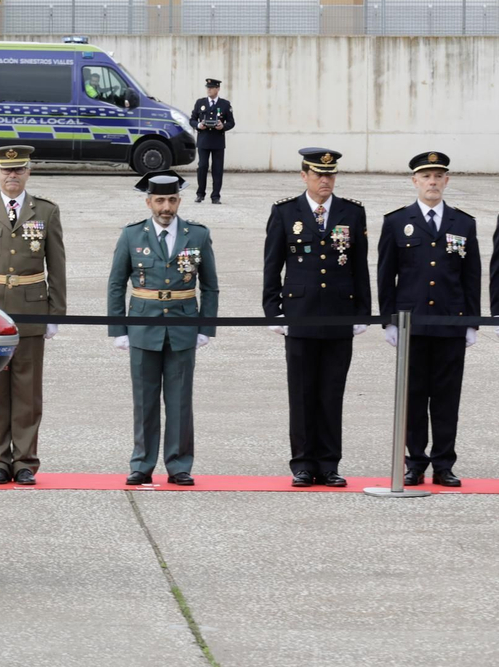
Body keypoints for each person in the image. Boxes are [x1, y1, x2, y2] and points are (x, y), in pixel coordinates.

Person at [0, 145, 66, 486]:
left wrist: (55, 314)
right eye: (6, 170)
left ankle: (25, 462)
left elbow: (57, 265)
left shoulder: (45, 211)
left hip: (31, 309)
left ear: (28, 172)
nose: (12, 176)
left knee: (27, 390)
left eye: (18, 170)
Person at [262, 148, 371, 488]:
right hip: (300, 314)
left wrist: (362, 311)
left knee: (331, 392)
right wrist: (273, 310)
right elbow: (272, 265)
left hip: (338, 315)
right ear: (304, 175)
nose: (325, 180)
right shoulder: (285, 212)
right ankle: (303, 464)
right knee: (303, 392)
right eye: (318, 174)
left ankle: (329, 463)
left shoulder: (352, 212)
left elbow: (359, 266)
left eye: (330, 175)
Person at [107, 170, 218, 487]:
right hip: (143, 326)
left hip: (183, 326)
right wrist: (119, 329)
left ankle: (179, 464)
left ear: (179, 201)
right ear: (149, 202)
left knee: (181, 398)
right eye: (159, 200)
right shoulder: (131, 235)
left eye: (171, 200)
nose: (165, 207)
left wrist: (205, 327)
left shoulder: (196, 235)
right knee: (144, 399)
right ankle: (142, 463)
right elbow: (116, 285)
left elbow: (210, 285)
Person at [379, 151, 479, 487]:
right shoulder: (396, 222)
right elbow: (386, 275)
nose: (432, 182)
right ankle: (415, 462)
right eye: (426, 177)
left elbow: (471, 276)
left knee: (447, 397)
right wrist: (389, 320)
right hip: (413, 324)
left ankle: (444, 464)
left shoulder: (463, 223)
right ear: (415, 182)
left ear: (447, 181)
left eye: (438, 176)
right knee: (414, 396)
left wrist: (471, 322)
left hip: (450, 323)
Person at [189, 78, 235, 204]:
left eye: (212, 87)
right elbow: (192, 119)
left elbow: (231, 122)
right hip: (203, 140)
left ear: (217, 89)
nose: (209, 89)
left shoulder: (225, 104)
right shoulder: (200, 103)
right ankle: (200, 194)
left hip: (218, 141)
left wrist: (223, 126)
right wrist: (198, 125)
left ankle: (215, 196)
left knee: (217, 169)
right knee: (202, 167)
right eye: (207, 87)